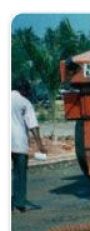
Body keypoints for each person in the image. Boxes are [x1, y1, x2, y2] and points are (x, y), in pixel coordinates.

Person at [11, 82, 47, 212]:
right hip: (18, 143)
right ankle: (19, 202)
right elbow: (33, 125)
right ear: (24, 91)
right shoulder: (24, 102)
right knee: (19, 173)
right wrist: (40, 145)